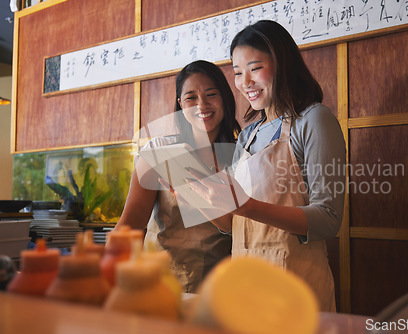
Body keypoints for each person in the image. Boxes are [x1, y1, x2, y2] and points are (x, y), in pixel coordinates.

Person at [185, 20, 346, 312]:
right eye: (237, 73)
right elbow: (234, 224)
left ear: (282, 63)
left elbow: (328, 219)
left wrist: (246, 206)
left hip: (295, 289)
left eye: (255, 68)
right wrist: (195, 196)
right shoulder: (248, 135)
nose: (244, 82)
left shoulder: (314, 120)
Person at [114, 60, 241, 293]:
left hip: (220, 288)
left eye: (211, 94)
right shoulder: (159, 152)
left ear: (225, 98)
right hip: (159, 284)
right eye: (191, 97)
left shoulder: (243, 156)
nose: (201, 105)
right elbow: (130, 224)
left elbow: (245, 228)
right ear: (181, 104)